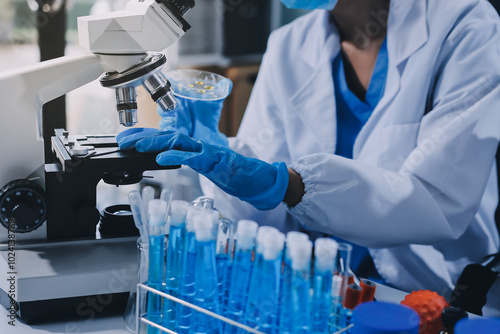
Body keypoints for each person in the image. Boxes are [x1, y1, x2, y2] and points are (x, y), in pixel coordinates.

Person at [118, 0, 500, 316]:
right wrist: (221, 158)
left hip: (434, 296)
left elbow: (437, 201)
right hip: (314, 293)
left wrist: (289, 183)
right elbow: (258, 214)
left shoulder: (466, 24)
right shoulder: (290, 43)